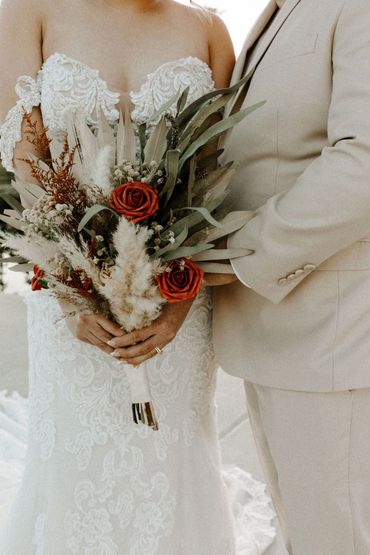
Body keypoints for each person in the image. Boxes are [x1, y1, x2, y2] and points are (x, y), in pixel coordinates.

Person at [0, 1, 276, 553]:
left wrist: (181, 295)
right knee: (79, 457)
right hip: (66, 296)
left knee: (172, 455)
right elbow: (28, 158)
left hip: (175, 306)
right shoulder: (29, 11)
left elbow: (221, 174)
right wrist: (68, 289)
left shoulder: (207, 29)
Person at [212, 0, 370, 553]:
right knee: (306, 536)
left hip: (333, 337)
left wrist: (239, 252)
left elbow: (364, 164)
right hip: (277, 333)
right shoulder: (281, 11)